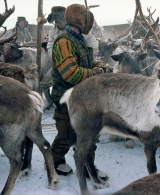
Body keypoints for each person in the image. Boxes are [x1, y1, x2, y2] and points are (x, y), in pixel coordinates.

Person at [50, 3, 110, 178]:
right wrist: (94, 72)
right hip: (66, 98)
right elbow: (70, 73)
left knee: (88, 135)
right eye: (86, 19)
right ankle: (57, 161)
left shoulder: (79, 40)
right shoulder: (63, 41)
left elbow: (86, 62)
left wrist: (98, 65)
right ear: (79, 20)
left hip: (83, 98)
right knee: (66, 135)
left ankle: (86, 165)